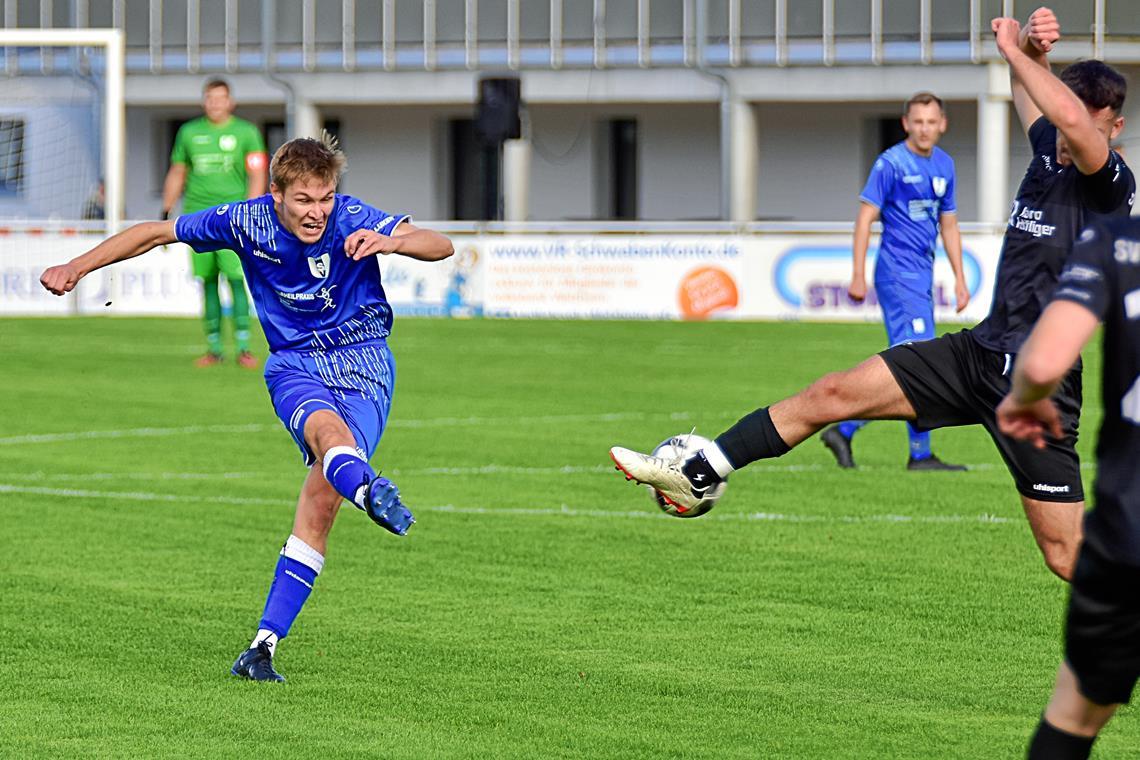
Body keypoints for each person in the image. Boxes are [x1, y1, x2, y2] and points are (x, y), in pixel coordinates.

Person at [610, 8, 1134, 582]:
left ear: (1114, 126)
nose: (1066, 131)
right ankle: (703, 469)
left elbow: (1066, 117)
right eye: (1063, 120)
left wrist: (1013, 52)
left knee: (1065, 556)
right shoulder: (1048, 153)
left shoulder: (1107, 180)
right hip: (977, 355)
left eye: (1084, 121)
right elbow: (1040, 106)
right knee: (831, 393)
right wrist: (1032, 54)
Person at [40, 134, 455, 682]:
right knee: (329, 438)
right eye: (305, 200)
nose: (318, 212)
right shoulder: (244, 221)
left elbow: (439, 244)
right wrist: (78, 264)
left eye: (325, 198)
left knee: (317, 508)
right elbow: (156, 233)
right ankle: (367, 490)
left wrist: (390, 244)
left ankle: (261, 649)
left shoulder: (354, 216)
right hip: (294, 365)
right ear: (277, 194)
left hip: (365, 365)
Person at [996, 217, 1140, 758]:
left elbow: (1047, 360)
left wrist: (1025, 396)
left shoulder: (1117, 242)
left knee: (1075, 716)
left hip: (1128, 537)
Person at [820, 91, 970, 472]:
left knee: (912, 363)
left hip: (921, 274)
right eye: (917, 121)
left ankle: (849, 431)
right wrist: (857, 273)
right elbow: (865, 218)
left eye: (931, 121)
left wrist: (960, 278)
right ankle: (914, 453)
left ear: (942, 124)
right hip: (896, 273)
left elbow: (948, 224)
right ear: (906, 124)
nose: (924, 128)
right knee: (919, 363)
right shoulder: (891, 163)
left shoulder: (945, 165)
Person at [162, 78, 268, 368]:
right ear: (204, 100)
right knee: (207, 281)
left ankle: (244, 347)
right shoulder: (189, 132)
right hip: (197, 218)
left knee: (236, 279)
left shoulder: (246, 132)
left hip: (232, 219)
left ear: (230, 101)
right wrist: (167, 206)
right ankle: (214, 348)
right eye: (210, 98)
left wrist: (251, 209)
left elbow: (258, 173)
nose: (215, 103)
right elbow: (178, 170)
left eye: (220, 98)